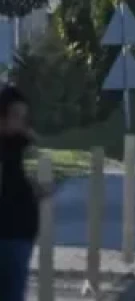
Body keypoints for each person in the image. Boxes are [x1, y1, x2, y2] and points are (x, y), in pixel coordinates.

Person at [0, 85, 41, 301]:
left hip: (20, 235)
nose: (20, 121)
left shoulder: (21, 147)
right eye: (16, 115)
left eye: (23, 116)